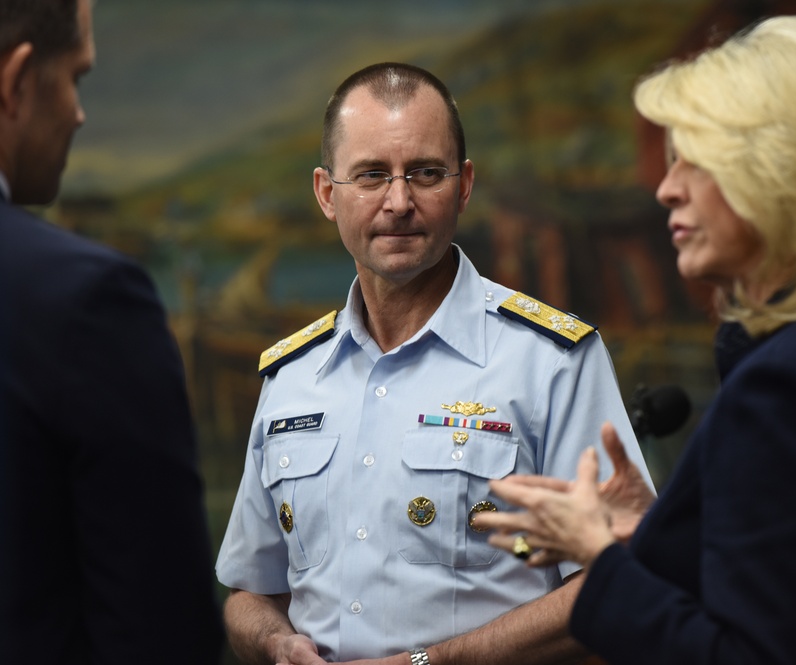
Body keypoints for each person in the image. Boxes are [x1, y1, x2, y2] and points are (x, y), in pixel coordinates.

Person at [476, 15, 796, 665]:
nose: (666, 187)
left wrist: (601, 559)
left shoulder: (786, 388)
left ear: (779, 174)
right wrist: (662, 531)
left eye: (692, 162)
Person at [215, 62, 652, 665]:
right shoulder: (291, 376)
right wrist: (271, 641)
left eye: (424, 173)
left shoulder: (550, 361)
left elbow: (615, 584)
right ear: (325, 193)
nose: (398, 202)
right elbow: (250, 590)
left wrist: (436, 663)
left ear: (464, 185)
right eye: (370, 176)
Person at [0, 1, 225, 663]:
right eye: (77, 77)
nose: (77, 112)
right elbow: (162, 633)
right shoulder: (85, 301)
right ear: (16, 82)